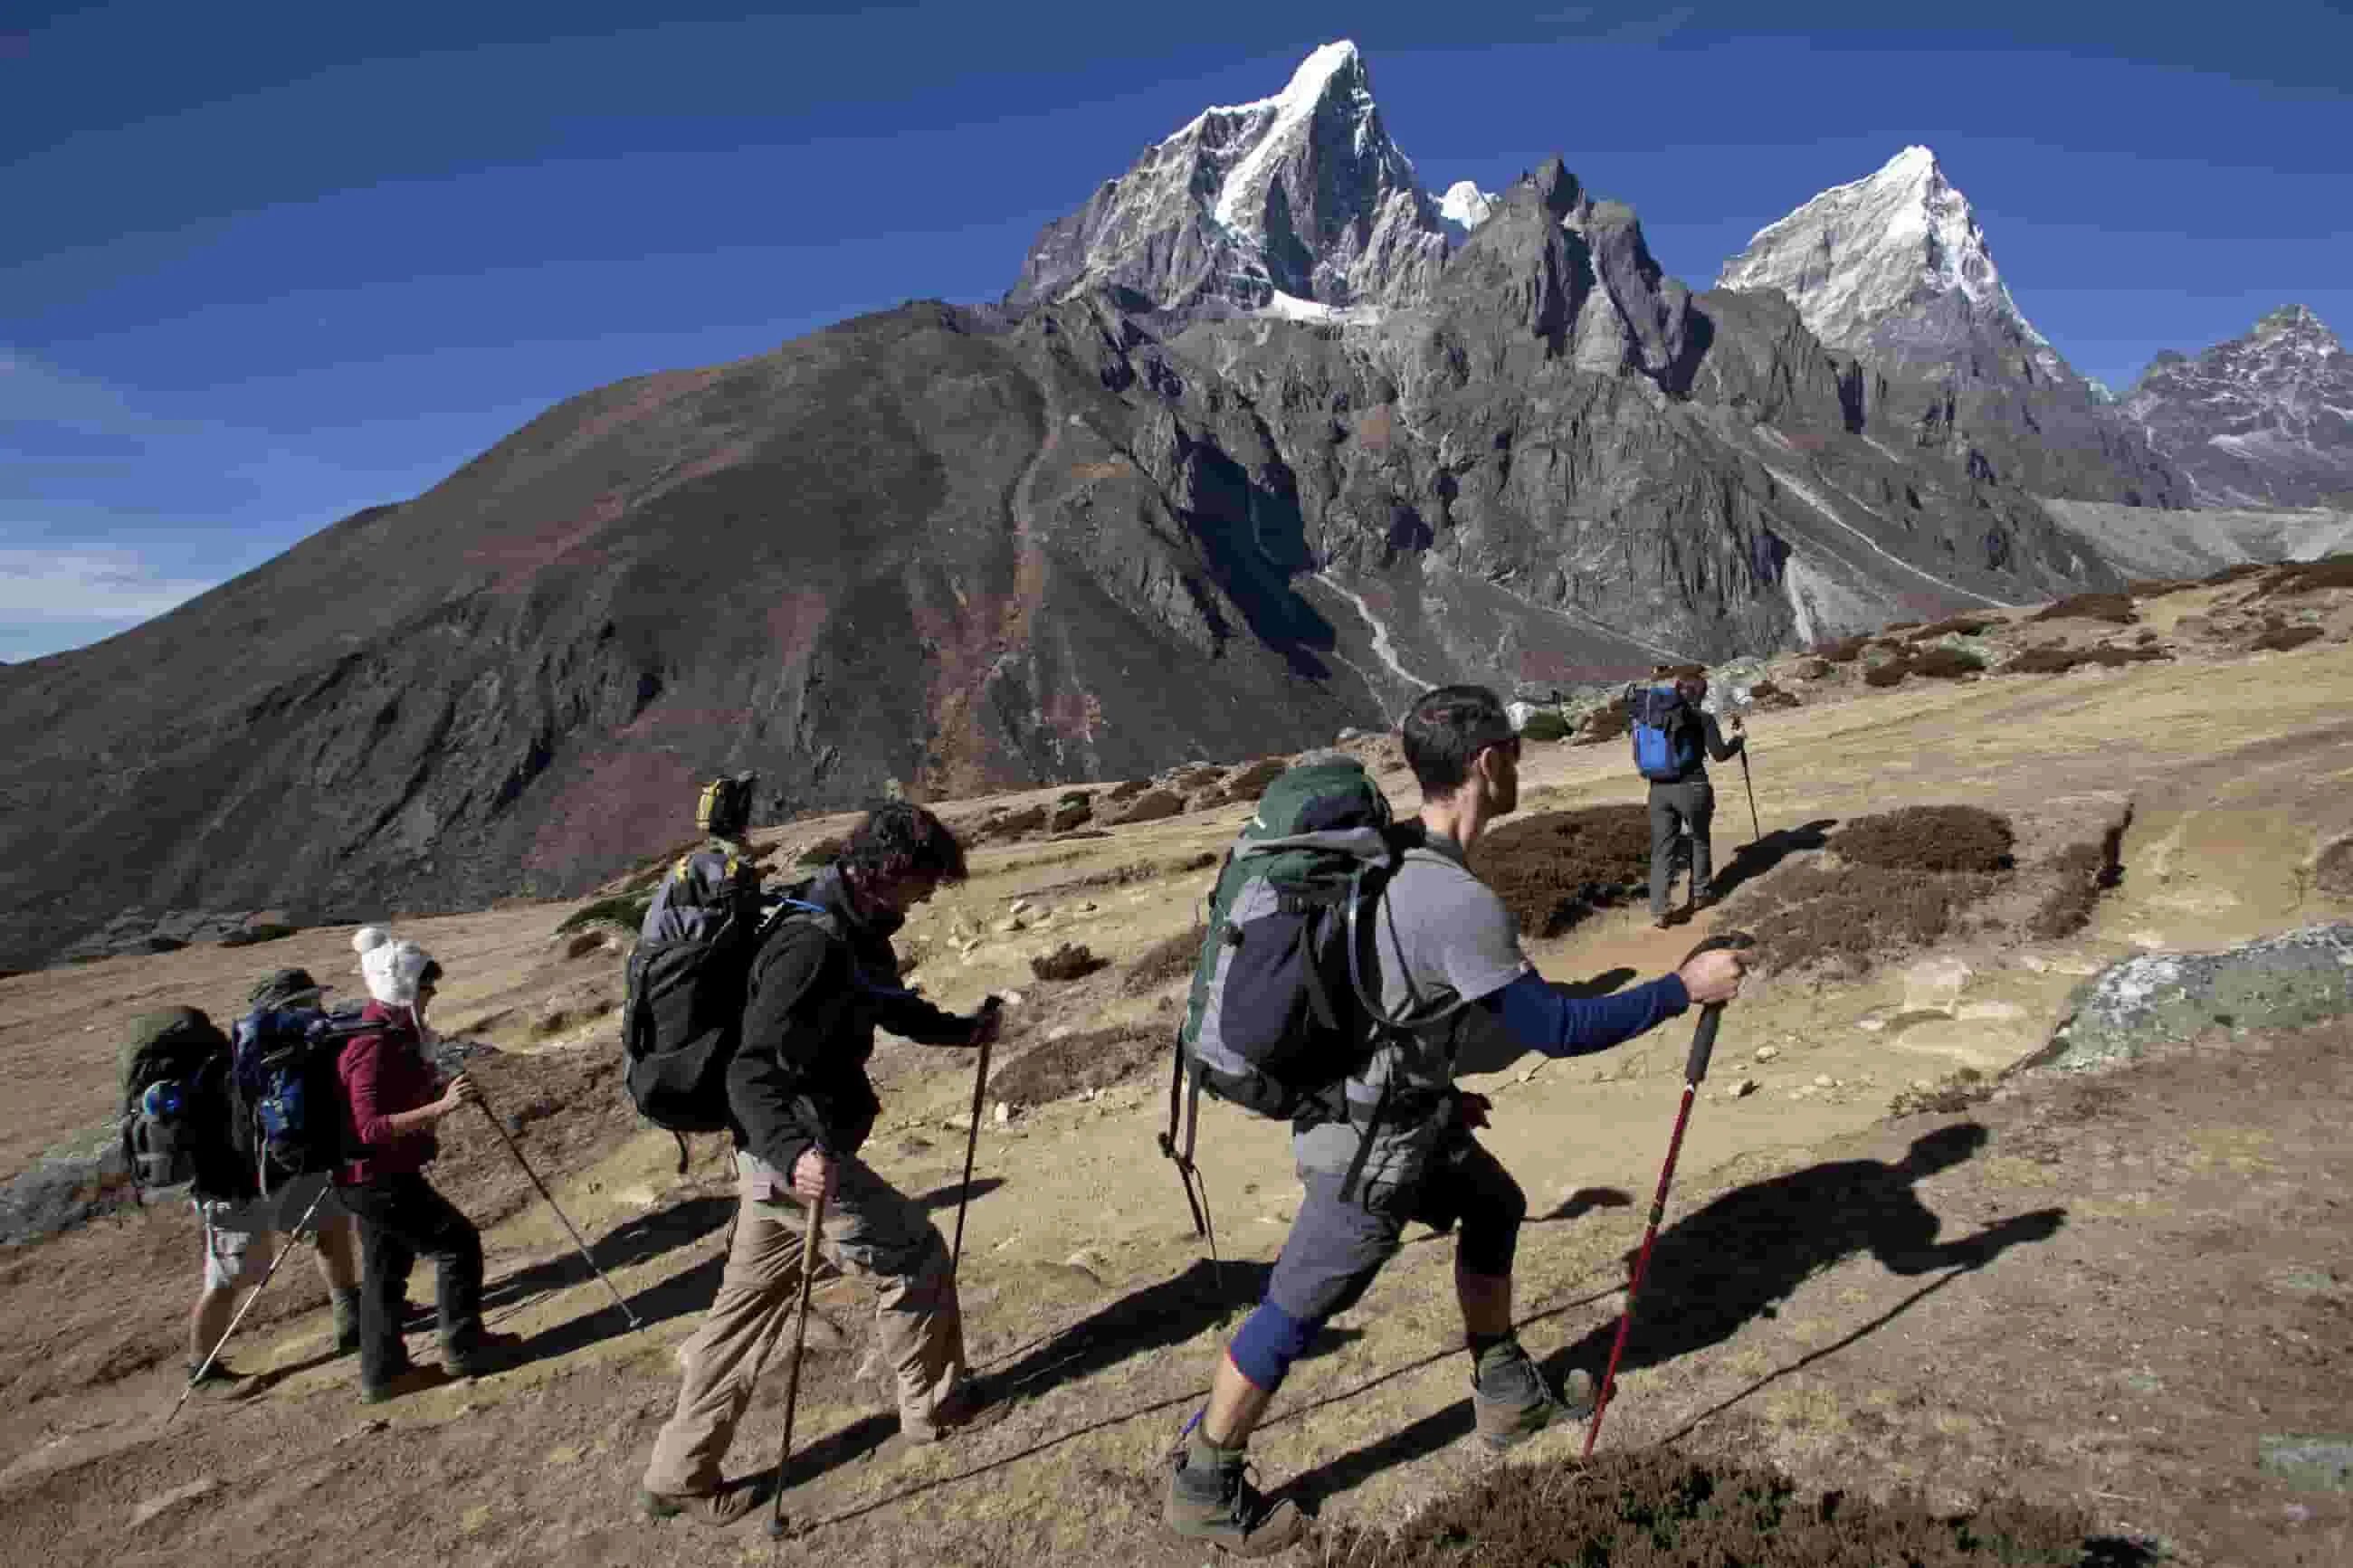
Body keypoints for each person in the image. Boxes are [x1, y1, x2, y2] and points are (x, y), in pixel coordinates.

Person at [1163, 684, 1748, 1554]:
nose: (1519, 762)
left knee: (1493, 1201)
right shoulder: (1457, 903)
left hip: (1400, 1113)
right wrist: (1682, 988)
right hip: (1367, 1152)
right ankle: (1205, 1478)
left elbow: (1386, 1002)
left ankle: (1505, 1390)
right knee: (1296, 1307)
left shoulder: (1395, 857)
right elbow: (1558, 1027)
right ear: (1487, 765)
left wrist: (1434, 1085)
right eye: (1513, 749)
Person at [639, 803, 1004, 1528]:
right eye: (924, 883)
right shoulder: (810, 944)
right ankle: (933, 1410)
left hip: (766, 1165)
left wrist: (962, 1030)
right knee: (915, 1257)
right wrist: (797, 1152)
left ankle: (678, 1471)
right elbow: (749, 1071)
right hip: (797, 1160)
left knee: (741, 1316)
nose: (928, 897)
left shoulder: (847, 920)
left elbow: (884, 1002)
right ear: (890, 871)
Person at [333, 937, 519, 1403]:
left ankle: (384, 1374)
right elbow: (371, 1127)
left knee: (384, 1271)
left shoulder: (388, 1035)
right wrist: (442, 1106)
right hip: (378, 1177)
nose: (431, 995)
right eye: (425, 986)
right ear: (402, 988)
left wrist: (431, 1089)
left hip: (364, 1178)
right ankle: (464, 1348)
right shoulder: (372, 1044)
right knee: (457, 1243)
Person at [183, 968, 366, 1395]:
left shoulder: (293, 1054)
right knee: (229, 1280)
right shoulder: (235, 1068)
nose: (316, 1011)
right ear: (284, 1010)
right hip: (232, 1188)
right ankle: (202, 1371)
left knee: (331, 1227)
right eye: (307, 1003)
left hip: (282, 1171)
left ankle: (352, 1320)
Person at [1645, 670, 1745, 929]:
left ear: (1677, 689)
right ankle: (1700, 894)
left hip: (1658, 790)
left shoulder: (1652, 716)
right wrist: (1739, 740)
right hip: (1693, 787)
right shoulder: (1704, 718)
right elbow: (1720, 754)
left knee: (1662, 848)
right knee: (1699, 839)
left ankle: (1659, 909)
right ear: (1700, 694)